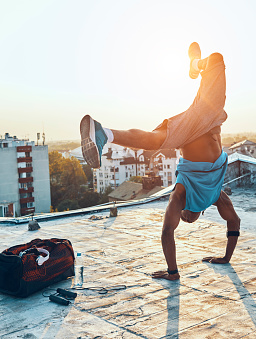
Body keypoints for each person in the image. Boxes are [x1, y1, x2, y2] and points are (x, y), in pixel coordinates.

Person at [80, 42, 241, 281]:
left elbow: (167, 232)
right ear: (198, 215)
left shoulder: (181, 195)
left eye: (183, 218)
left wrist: (173, 272)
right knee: (217, 58)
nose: (185, 218)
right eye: (187, 218)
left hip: (192, 128)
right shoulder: (215, 195)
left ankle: (104, 134)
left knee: (155, 140)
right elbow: (234, 221)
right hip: (209, 119)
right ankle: (195, 64)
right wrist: (226, 258)